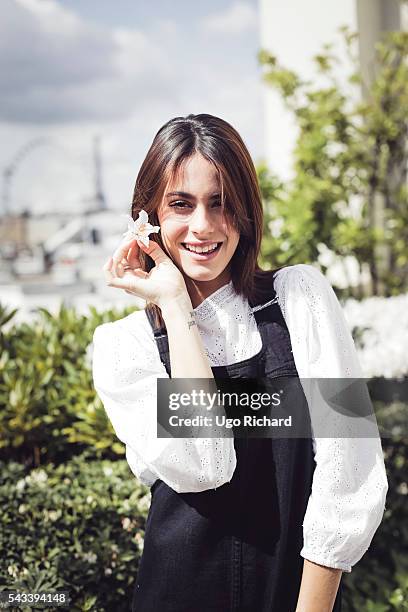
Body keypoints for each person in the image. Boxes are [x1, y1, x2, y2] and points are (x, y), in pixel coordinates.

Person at [92, 114, 388, 612]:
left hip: (296, 594)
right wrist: (175, 308)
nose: (203, 226)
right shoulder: (126, 347)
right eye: (181, 204)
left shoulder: (299, 299)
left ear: (246, 212)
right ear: (148, 220)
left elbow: (351, 471)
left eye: (221, 203)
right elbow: (205, 464)